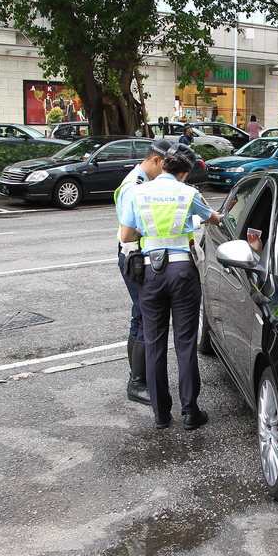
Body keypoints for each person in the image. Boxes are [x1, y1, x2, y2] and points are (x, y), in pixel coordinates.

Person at [119, 145, 221, 430]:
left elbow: (126, 234)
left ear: (162, 166)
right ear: (184, 173)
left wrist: (150, 233)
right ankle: (190, 411)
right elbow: (212, 218)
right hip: (183, 271)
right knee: (185, 342)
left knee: (154, 343)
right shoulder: (188, 193)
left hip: (151, 270)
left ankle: (161, 415)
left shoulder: (137, 192)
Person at [114, 139, 171, 405]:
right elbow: (130, 230)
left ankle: (139, 379)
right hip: (134, 255)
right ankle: (137, 383)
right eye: (166, 168)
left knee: (139, 315)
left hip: (135, 254)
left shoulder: (139, 181)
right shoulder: (134, 187)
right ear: (158, 161)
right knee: (145, 317)